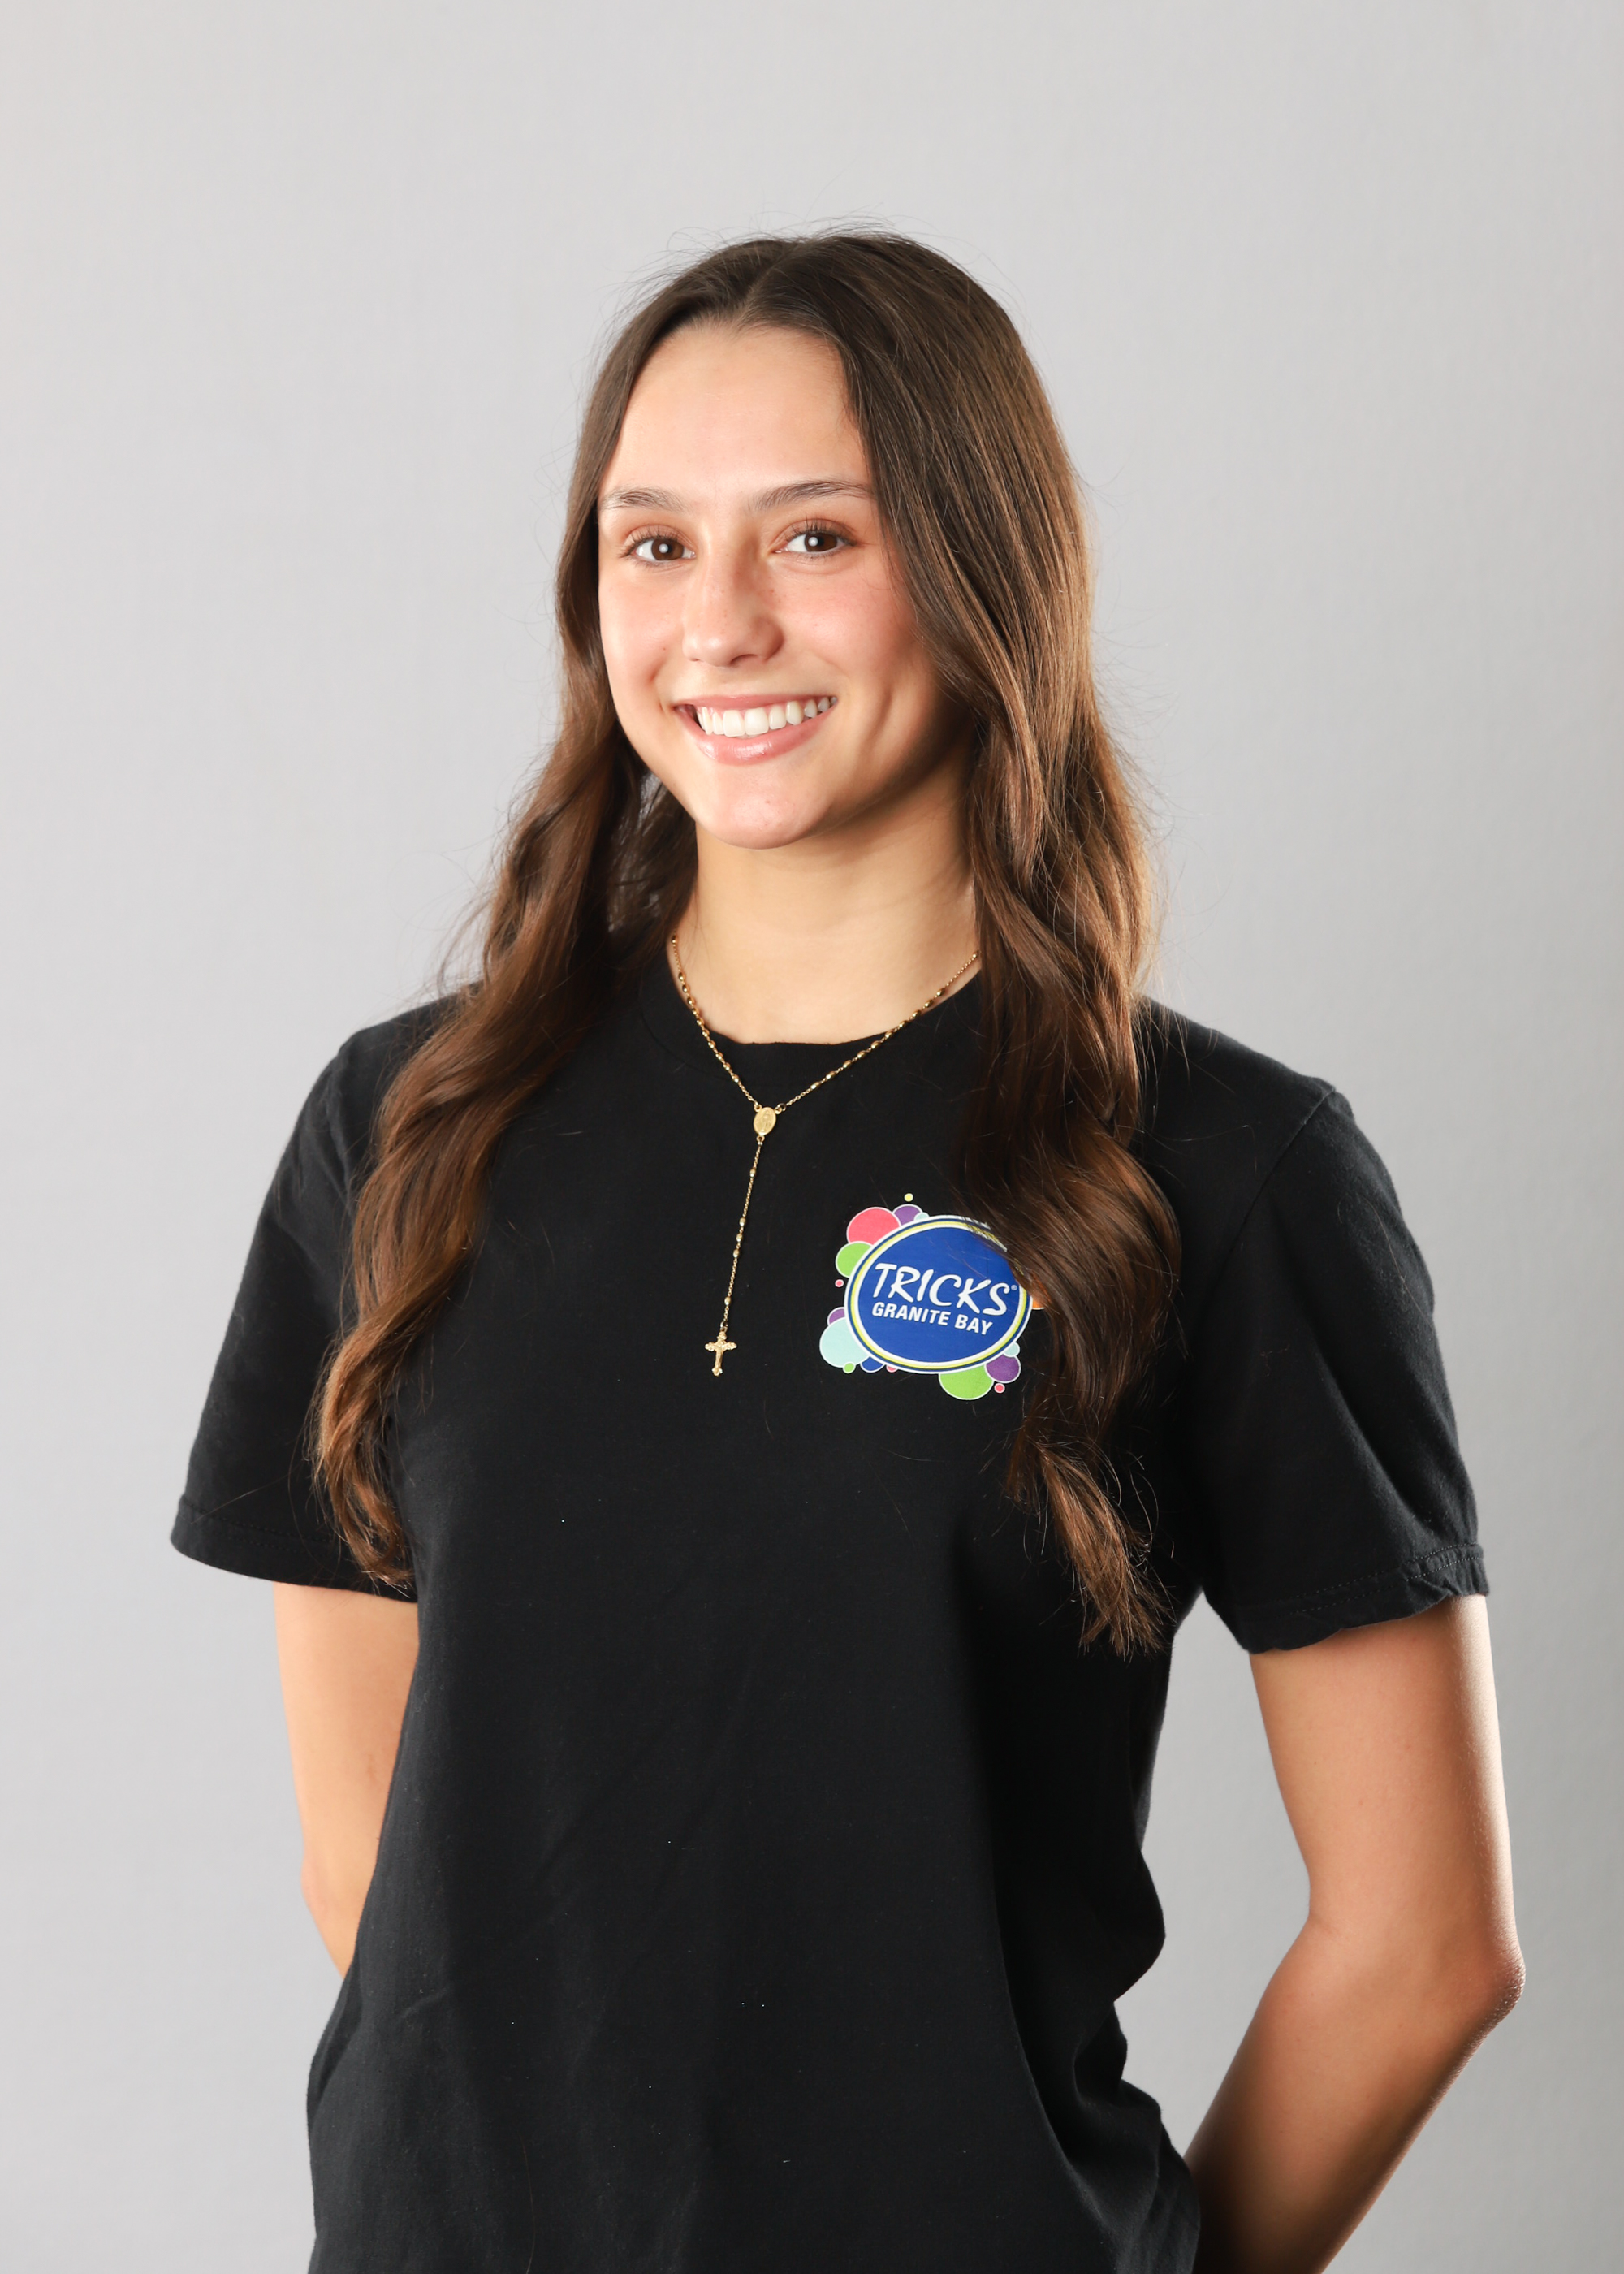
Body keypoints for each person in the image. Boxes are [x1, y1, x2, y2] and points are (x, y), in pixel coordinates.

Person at [173, 233, 1522, 2274]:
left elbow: (1423, 1938)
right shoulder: (405, 1126)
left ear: (984, 569)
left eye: (815, 535)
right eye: (652, 544)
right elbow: (375, 1860)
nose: (719, 622)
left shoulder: (1222, 1170)